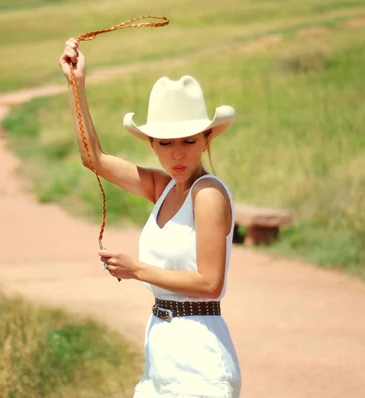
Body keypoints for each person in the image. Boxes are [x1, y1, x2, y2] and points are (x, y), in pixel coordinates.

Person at [58, 38, 242, 397]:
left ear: (206, 139)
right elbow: (93, 158)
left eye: (188, 141)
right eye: (165, 142)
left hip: (201, 366)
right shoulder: (164, 188)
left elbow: (210, 284)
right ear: (152, 143)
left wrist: (136, 269)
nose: (176, 153)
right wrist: (76, 85)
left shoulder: (207, 194)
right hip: (160, 357)